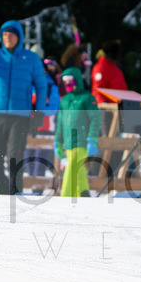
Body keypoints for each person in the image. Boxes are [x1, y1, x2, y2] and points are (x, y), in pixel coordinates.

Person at [0, 20, 51, 195]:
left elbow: (42, 86)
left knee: (15, 156)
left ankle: (16, 193)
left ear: (19, 37)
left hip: (20, 116)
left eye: (11, 34)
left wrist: (39, 112)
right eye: (5, 34)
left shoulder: (31, 58)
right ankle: (3, 190)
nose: (8, 38)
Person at [54, 67, 101, 197]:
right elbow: (60, 123)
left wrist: (92, 138)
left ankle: (66, 196)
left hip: (82, 140)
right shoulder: (65, 100)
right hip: (68, 142)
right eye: (65, 82)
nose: (68, 84)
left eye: (71, 81)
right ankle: (82, 193)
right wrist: (57, 141)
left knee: (71, 167)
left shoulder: (86, 98)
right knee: (77, 169)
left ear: (77, 80)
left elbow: (95, 119)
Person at [91, 40, 128, 104]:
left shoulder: (113, 67)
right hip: (109, 109)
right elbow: (98, 91)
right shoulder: (101, 68)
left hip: (118, 106)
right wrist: (104, 106)